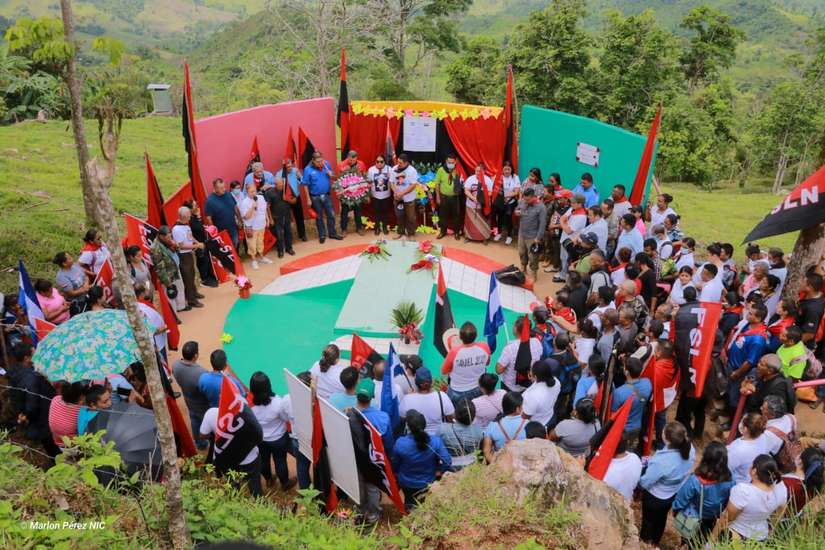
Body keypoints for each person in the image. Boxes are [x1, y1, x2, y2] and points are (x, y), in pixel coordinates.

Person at [638, 421, 694, 546]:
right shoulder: (690, 449)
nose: (662, 431)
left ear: (667, 439)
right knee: (661, 519)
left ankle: (645, 543)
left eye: (663, 430)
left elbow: (646, 481)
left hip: (655, 497)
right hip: (671, 494)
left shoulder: (662, 461)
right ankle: (655, 542)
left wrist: (639, 484)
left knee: (648, 521)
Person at [712, 454, 787, 542]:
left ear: (754, 471)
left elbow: (728, 518)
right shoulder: (781, 488)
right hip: (761, 535)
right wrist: (772, 528)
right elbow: (782, 509)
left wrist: (711, 541)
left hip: (737, 534)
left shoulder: (743, 491)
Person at [672, 441, 735, 544]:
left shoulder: (695, 480)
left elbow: (681, 500)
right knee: (701, 540)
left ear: (705, 459)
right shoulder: (730, 479)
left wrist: (676, 510)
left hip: (693, 518)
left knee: (688, 537)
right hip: (713, 518)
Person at [350, 379, 393, 524]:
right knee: (373, 485)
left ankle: (360, 510)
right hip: (374, 458)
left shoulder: (349, 416)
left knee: (358, 484)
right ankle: (373, 514)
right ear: (372, 396)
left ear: (356, 395)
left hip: (356, 458)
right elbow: (388, 441)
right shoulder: (383, 417)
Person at [6, 342, 59, 458]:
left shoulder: (15, 372)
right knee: (52, 443)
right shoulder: (31, 378)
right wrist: (27, 414)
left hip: (32, 417)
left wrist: (23, 413)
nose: (37, 353)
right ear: (27, 358)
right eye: (34, 352)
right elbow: (32, 403)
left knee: (47, 442)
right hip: (42, 416)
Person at [391, 409, 452, 509]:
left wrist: (398, 474)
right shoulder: (435, 441)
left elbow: (394, 464)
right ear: (425, 425)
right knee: (427, 505)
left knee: (410, 503)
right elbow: (447, 461)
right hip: (428, 481)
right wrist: (439, 471)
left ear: (408, 427)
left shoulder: (400, 443)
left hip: (407, 482)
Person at [200, 402, 262, 497]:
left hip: (226, 459)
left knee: (233, 482)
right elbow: (257, 433)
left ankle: (235, 500)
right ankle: (258, 501)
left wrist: (218, 433)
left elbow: (203, 435)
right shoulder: (245, 413)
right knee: (254, 483)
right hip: (250, 458)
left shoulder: (211, 413)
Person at [249, 372, 294, 491]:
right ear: (268, 386)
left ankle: (269, 479)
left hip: (261, 439)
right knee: (280, 461)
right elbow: (285, 418)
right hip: (279, 438)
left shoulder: (250, 405)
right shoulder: (278, 402)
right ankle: (285, 483)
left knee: (263, 460)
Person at [726, 303, 769, 414]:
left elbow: (750, 362)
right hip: (731, 366)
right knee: (729, 392)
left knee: (735, 398)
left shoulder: (758, 340)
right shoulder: (747, 325)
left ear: (758, 318)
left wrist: (737, 373)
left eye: (750, 313)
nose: (747, 314)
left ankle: (733, 420)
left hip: (740, 372)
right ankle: (727, 412)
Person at [172, 341, 210, 450]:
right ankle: (208, 442)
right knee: (207, 423)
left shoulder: (175, 365)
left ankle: (199, 443)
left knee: (194, 420)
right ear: (195, 356)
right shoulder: (201, 373)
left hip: (188, 400)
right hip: (202, 405)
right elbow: (206, 390)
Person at [440, 321, 490, 402]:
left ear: (460, 337)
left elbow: (444, 371)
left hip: (457, 391)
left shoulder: (454, 352)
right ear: (476, 335)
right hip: (479, 388)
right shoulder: (484, 347)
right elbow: (487, 363)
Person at [301, 151, 342, 243]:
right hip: (315, 197)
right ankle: (322, 235)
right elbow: (305, 184)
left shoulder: (326, 164)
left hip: (326, 195)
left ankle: (332, 233)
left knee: (331, 215)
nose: (321, 163)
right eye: (318, 162)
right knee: (319, 217)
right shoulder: (307, 169)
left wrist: (331, 175)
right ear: (313, 161)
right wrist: (308, 199)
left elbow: (334, 177)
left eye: (321, 161)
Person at [400, 368, 455, 434]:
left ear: (416, 382)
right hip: (439, 436)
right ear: (431, 382)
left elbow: (402, 419)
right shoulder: (442, 396)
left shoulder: (407, 399)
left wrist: (409, 397)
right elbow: (451, 418)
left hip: (415, 437)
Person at [611, 357, 652, 445]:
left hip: (623, 429)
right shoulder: (648, 383)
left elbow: (613, 414)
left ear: (626, 372)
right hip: (638, 426)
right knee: (630, 446)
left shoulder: (619, 392)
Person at [495, 316, 543, 393]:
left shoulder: (509, 348)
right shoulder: (537, 342)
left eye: (514, 325)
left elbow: (498, 370)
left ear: (516, 329)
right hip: (529, 385)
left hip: (510, 388)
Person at [171, 206, 205, 308]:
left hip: (189, 253)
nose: (190, 218)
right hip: (183, 255)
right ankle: (191, 300)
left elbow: (190, 236)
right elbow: (181, 245)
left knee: (192, 274)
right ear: (184, 216)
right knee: (187, 277)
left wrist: (197, 242)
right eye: (189, 216)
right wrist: (196, 246)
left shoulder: (185, 225)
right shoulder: (176, 229)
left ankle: (194, 292)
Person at [437, 398, 483, 470]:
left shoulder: (443, 429)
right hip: (471, 467)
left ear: (455, 414)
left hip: (450, 468)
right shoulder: (479, 431)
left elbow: (436, 449)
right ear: (473, 417)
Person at [727, 413, 772, 484]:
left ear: (745, 429)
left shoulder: (738, 450)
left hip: (736, 481)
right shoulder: (763, 437)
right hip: (748, 478)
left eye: (742, 421)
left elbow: (726, 468)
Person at [482, 392, 527, 461]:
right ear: (518, 409)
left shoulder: (493, 425)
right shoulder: (528, 424)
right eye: (522, 405)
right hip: (523, 462)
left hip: (501, 461)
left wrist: (496, 464)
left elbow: (486, 452)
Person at [184, 199, 219, 288]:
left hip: (203, 241)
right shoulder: (189, 219)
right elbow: (196, 229)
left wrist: (199, 217)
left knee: (207, 260)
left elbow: (201, 227)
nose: (197, 207)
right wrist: (197, 244)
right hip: (197, 243)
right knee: (202, 261)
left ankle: (211, 276)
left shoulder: (195, 216)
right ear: (190, 209)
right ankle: (204, 279)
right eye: (195, 205)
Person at [149, 226, 186, 312]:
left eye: (170, 236)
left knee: (180, 289)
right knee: (171, 295)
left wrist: (176, 246)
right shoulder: (155, 248)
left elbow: (173, 252)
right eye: (168, 237)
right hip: (167, 275)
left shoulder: (167, 241)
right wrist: (167, 283)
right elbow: (159, 268)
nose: (170, 238)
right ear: (161, 236)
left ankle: (180, 308)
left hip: (174, 270)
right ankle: (173, 315)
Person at [238, 182, 272, 269]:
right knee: (252, 245)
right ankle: (253, 260)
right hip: (251, 227)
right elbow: (246, 217)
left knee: (260, 242)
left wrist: (267, 219)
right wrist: (252, 207)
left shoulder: (260, 197)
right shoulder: (244, 202)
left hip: (261, 224)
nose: (254, 193)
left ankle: (261, 257)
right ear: (247, 192)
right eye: (251, 192)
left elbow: (264, 209)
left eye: (254, 191)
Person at [516, 187, 548, 281]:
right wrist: (517, 212)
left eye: (528, 200)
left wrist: (538, 238)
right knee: (521, 252)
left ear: (533, 197)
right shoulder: (522, 201)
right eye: (524, 199)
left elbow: (543, 224)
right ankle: (523, 268)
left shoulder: (541, 207)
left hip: (533, 236)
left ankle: (534, 273)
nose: (525, 201)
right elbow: (517, 209)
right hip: (522, 233)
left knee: (533, 256)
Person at [555, 193, 588, 282]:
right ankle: (563, 274)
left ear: (580, 204)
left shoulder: (581, 216)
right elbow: (564, 217)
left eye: (573, 203)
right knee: (563, 258)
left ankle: (565, 277)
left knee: (566, 260)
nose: (571, 204)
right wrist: (563, 222)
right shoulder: (572, 209)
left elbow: (568, 231)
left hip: (571, 242)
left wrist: (562, 222)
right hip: (565, 239)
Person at [603, 433, 643, 503]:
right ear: (627, 442)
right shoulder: (635, 458)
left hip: (611, 504)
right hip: (627, 501)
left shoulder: (605, 470)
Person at [263, 176, 296, 258]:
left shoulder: (287, 189)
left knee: (288, 233)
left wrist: (288, 199)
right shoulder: (269, 192)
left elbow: (294, 201)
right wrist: (270, 219)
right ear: (275, 184)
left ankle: (289, 248)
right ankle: (280, 251)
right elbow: (267, 207)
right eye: (279, 185)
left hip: (287, 215)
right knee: (279, 235)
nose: (281, 186)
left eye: (282, 184)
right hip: (276, 217)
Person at [521, 360, 561, 428]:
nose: (529, 372)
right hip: (549, 417)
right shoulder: (556, 382)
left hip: (537, 424)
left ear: (536, 377)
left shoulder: (533, 396)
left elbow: (525, 416)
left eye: (531, 371)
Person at [337, 150, 368, 235]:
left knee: (358, 210)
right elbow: (338, 179)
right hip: (346, 192)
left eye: (354, 160)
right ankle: (343, 229)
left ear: (357, 158)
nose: (352, 162)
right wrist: (339, 193)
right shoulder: (341, 165)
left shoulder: (361, 164)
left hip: (357, 192)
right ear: (347, 157)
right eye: (350, 160)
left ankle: (359, 228)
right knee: (344, 211)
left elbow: (364, 176)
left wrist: (366, 192)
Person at [48, 381, 85, 448]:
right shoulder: (80, 410)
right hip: (73, 444)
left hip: (57, 441)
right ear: (80, 398)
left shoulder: (55, 399)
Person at [391, 154, 419, 240]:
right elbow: (391, 182)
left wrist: (402, 193)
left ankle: (411, 233)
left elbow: (413, 185)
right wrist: (396, 192)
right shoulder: (394, 169)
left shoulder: (412, 171)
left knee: (410, 217)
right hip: (397, 198)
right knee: (399, 216)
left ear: (406, 163)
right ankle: (401, 232)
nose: (398, 164)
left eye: (400, 163)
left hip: (409, 199)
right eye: (398, 162)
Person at [434, 154, 462, 240]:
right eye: (449, 162)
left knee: (456, 216)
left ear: (455, 162)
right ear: (446, 161)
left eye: (452, 162)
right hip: (444, 197)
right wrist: (438, 197)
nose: (451, 164)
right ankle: (443, 232)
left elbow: (462, 181)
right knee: (443, 216)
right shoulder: (441, 170)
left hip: (455, 197)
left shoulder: (457, 170)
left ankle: (456, 232)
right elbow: (437, 184)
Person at [463, 163, 493, 242]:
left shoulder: (488, 180)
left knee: (483, 223)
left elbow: (490, 192)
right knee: (470, 222)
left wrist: (481, 198)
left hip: (483, 206)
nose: (478, 173)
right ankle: (469, 236)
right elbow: (466, 190)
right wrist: (473, 197)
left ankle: (484, 237)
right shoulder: (470, 179)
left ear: (484, 171)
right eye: (476, 171)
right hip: (471, 205)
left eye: (480, 171)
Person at [493, 160, 520, 244]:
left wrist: (506, 196)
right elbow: (494, 189)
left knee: (508, 218)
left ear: (511, 169)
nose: (507, 171)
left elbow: (516, 192)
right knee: (499, 218)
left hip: (510, 202)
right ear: (502, 169)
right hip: (500, 202)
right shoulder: (498, 177)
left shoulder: (515, 177)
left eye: (509, 169)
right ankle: (499, 233)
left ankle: (509, 236)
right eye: (505, 169)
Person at [134, 284, 167, 354]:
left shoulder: (138, 306)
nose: (147, 292)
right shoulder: (141, 309)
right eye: (146, 291)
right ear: (142, 294)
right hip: (155, 343)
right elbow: (149, 330)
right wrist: (162, 329)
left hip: (157, 340)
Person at [281, 158, 307, 242]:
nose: (290, 168)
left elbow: (303, 182)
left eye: (291, 166)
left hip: (296, 197)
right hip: (286, 200)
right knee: (287, 219)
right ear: (284, 167)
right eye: (288, 167)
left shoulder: (295, 171)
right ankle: (289, 238)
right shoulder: (279, 174)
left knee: (299, 216)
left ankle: (302, 235)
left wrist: (300, 177)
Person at [798, 272, 825, 348]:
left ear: (810, 287)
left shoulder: (813, 309)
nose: (800, 283)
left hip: (800, 344)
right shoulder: (809, 295)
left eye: (803, 282)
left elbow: (809, 334)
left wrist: (791, 344)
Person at [367, 155, 392, 235]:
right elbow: (369, 182)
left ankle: (384, 227)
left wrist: (390, 177)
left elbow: (394, 182)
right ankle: (377, 227)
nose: (379, 163)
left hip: (386, 195)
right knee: (376, 212)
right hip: (375, 195)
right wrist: (368, 194)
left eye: (381, 162)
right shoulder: (371, 170)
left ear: (384, 162)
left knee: (385, 212)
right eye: (377, 161)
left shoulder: (389, 169)